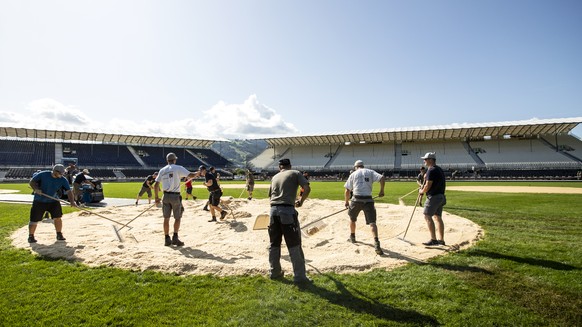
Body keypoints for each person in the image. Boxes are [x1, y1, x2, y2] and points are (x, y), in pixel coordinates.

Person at [268, 158, 311, 284]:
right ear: (290, 166)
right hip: (287, 211)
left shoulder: (274, 177)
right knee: (294, 244)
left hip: (273, 211)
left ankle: (275, 272)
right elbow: (307, 188)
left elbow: (270, 195)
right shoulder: (295, 173)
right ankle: (300, 277)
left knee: (274, 244)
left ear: (279, 167)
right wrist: (301, 202)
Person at [154, 153, 199, 246]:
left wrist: (156, 197)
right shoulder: (178, 168)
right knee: (177, 217)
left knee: (166, 218)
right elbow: (191, 175)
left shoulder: (162, 170)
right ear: (174, 160)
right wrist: (198, 173)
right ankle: (175, 237)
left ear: (167, 160)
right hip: (175, 196)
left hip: (165, 196)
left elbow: (156, 185)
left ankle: (167, 239)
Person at [344, 160, 386, 255]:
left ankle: (352, 237)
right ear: (363, 166)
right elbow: (382, 178)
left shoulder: (353, 174)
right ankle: (376, 242)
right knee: (372, 223)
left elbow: (347, 190)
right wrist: (381, 191)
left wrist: (346, 202)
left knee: (352, 219)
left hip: (356, 199)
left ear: (355, 167)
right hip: (368, 200)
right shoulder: (370, 172)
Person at [27, 164, 78, 243]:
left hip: (54, 200)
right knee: (34, 219)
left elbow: (69, 191)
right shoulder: (43, 174)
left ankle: (59, 234)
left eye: (62, 173)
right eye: (60, 173)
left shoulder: (63, 179)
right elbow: (32, 182)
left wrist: (72, 201)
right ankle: (31, 236)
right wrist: (36, 189)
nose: (61, 175)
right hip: (39, 201)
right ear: (55, 171)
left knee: (57, 218)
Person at [418, 152, 447, 246]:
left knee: (427, 216)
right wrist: (426, 177)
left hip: (433, 197)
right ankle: (441, 240)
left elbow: (428, 185)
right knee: (438, 217)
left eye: (425, 159)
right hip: (441, 196)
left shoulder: (431, 170)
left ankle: (433, 239)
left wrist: (421, 191)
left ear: (430, 160)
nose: (424, 161)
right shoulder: (438, 169)